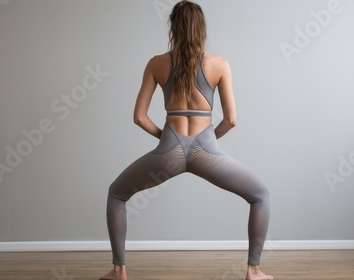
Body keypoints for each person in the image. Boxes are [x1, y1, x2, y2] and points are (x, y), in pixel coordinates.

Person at [100, 1, 272, 279]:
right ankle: (254, 271)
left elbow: (139, 117)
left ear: (173, 27)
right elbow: (230, 120)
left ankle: (119, 270)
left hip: (169, 151)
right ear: (202, 28)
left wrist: (167, 141)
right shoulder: (219, 64)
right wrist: (206, 144)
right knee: (260, 195)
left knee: (117, 194)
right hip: (207, 151)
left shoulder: (156, 63)